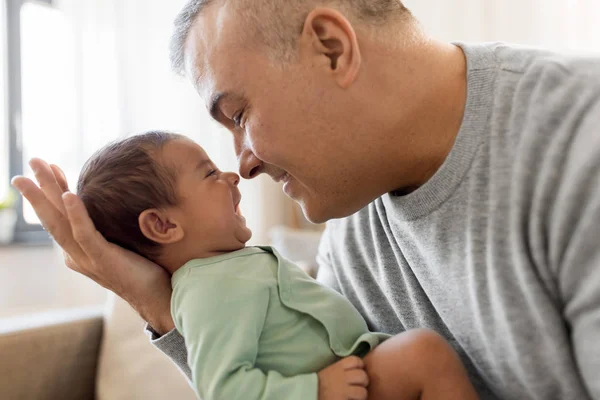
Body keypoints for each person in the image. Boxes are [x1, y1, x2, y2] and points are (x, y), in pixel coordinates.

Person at [11, 0, 600, 398]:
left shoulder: (578, 143)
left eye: (238, 115)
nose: (241, 163)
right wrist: (158, 304)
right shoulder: (354, 224)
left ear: (331, 47)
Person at [75, 131, 478, 400]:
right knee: (423, 354)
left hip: (346, 374)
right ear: (163, 225)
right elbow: (224, 389)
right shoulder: (207, 290)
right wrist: (314, 389)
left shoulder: (227, 270)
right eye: (210, 173)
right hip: (331, 386)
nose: (232, 174)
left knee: (422, 354)